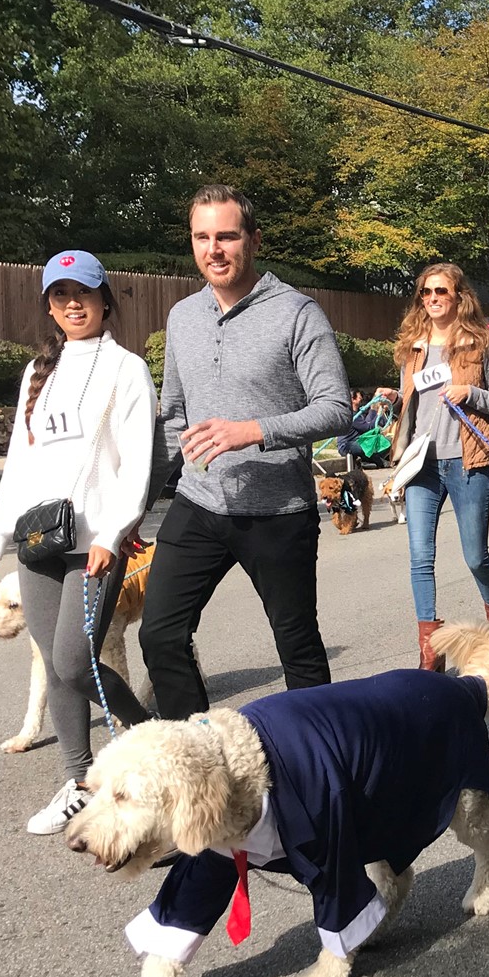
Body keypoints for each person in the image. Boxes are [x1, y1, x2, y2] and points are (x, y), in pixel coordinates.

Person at [142, 186, 353, 716]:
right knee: (160, 635)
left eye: (227, 236)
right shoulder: (183, 316)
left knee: (297, 647)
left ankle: (320, 753)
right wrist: (134, 511)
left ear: (253, 240)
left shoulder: (297, 313)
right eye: (202, 237)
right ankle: (196, 750)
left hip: (278, 511)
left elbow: (335, 408)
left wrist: (253, 430)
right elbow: (174, 419)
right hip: (199, 501)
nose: (214, 249)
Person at [0, 248, 159, 834]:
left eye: (83, 292)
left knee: (75, 664)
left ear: (105, 300)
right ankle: (79, 780)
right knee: (55, 669)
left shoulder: (127, 368)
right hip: (38, 541)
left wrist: (113, 530)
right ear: (49, 307)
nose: (73, 303)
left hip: (95, 545)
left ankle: (151, 739)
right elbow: (19, 463)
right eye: (61, 294)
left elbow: (137, 462)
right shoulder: (38, 372)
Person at [390, 262, 489, 667]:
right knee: (419, 557)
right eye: (425, 292)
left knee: (475, 556)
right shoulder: (413, 345)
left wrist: (469, 392)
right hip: (422, 465)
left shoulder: (482, 343)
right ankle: (431, 648)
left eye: (440, 291)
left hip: (467, 461)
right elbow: (411, 403)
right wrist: (393, 399)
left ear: (459, 296)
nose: (432, 299)